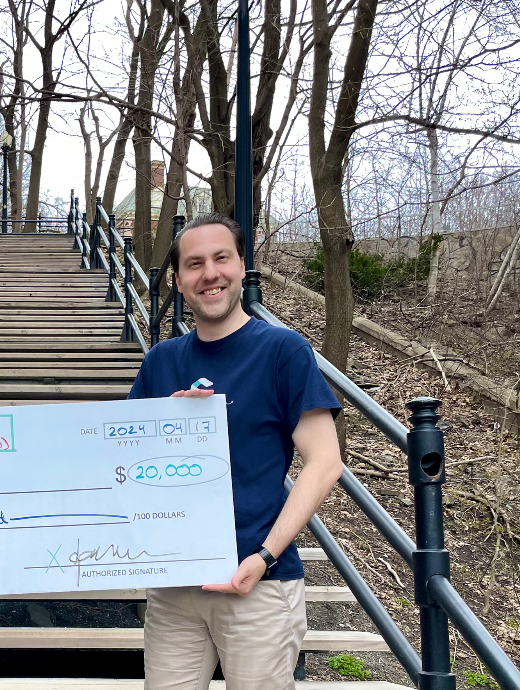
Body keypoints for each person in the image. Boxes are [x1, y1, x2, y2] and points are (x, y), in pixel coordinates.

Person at [129, 213, 344, 690]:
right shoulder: (160, 362)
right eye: (194, 263)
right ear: (180, 280)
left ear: (241, 264)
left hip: (258, 582)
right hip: (174, 587)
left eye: (221, 258)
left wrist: (265, 555)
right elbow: (124, 467)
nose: (210, 273)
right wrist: (165, 426)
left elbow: (326, 463)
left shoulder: (284, 350)